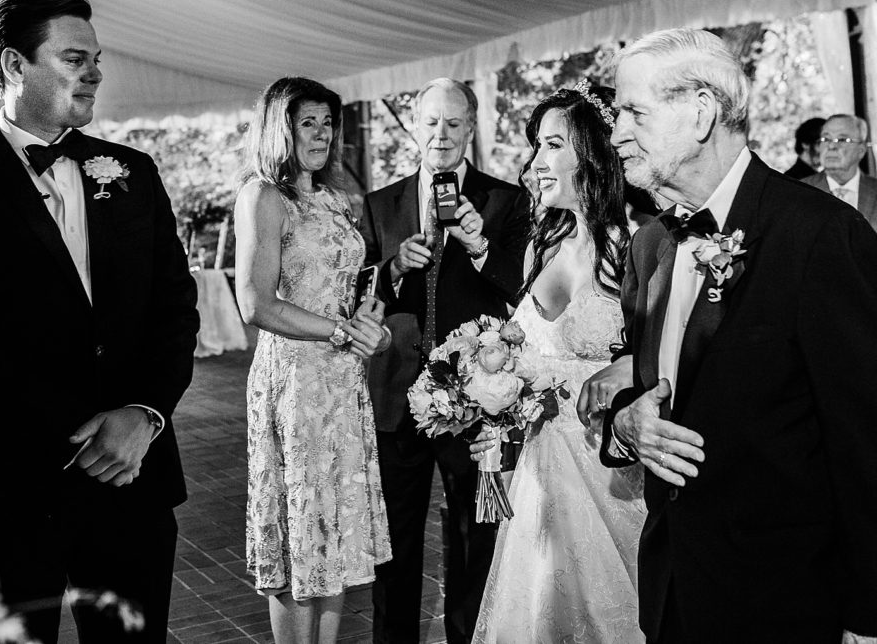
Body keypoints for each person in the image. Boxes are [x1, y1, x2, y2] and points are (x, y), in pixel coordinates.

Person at [0, 0, 199, 643]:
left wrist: (142, 414)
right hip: (13, 487)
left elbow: (176, 309)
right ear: (13, 64)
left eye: (96, 58)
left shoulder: (133, 172)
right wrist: (81, 430)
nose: (94, 72)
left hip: (134, 480)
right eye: (74, 57)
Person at [592, 28, 877, 643]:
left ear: (701, 113)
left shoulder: (820, 236)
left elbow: (866, 442)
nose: (615, 133)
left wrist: (867, 616)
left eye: (633, 111)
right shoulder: (649, 246)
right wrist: (624, 423)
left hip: (787, 603)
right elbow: (649, 389)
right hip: (674, 595)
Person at [469, 83, 651, 643]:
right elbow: (522, 359)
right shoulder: (540, 247)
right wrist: (493, 411)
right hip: (541, 468)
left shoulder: (639, 243)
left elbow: (665, 357)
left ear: (592, 155)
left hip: (611, 465)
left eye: (551, 145)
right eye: (535, 147)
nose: (535, 163)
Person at [359, 77, 531, 644]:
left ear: (471, 127)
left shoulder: (506, 201)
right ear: (413, 126)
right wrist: (395, 269)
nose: (442, 133)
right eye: (431, 122)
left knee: (472, 535)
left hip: (478, 396)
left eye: (454, 123)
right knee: (395, 541)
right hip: (396, 395)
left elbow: (524, 290)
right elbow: (360, 296)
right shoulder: (380, 203)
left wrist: (481, 246)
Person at [234, 76, 392, 644]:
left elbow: (339, 287)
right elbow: (255, 303)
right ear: (281, 128)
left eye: (329, 122)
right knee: (299, 535)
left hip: (343, 381)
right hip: (295, 381)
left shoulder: (330, 196)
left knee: (336, 535)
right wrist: (342, 332)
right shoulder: (263, 196)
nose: (323, 133)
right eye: (308, 123)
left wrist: (367, 319)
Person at [800, 114, 877, 230]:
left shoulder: (874, 190)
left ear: (861, 150)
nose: (831, 146)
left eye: (842, 139)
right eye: (825, 139)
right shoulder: (801, 191)